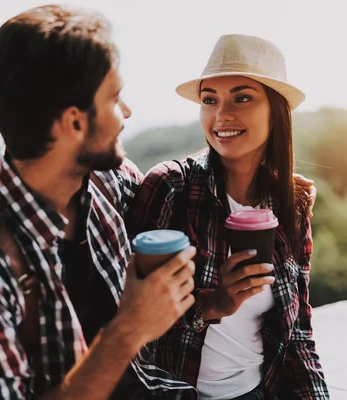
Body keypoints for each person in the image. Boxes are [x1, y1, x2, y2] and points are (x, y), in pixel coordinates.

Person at [0, 5, 198, 399]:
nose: (127, 112)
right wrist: (128, 330)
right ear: (74, 122)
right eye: (115, 98)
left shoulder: (108, 180)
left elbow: (183, 195)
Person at [126, 34, 329, 400]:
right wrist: (212, 304)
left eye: (242, 97)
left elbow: (297, 332)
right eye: (209, 100)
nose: (222, 115)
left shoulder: (292, 203)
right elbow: (127, 320)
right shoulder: (172, 188)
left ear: (275, 110)